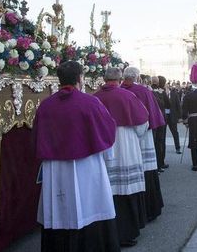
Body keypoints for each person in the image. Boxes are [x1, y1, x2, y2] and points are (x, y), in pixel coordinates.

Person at [34, 60, 120, 252]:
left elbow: (36, 136)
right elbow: (107, 130)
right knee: (88, 205)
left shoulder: (46, 105)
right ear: (80, 78)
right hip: (86, 165)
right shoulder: (90, 102)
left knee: (58, 210)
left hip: (54, 168)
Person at [93, 67, 150, 248]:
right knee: (126, 191)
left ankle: (107, 233)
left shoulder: (94, 97)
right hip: (126, 147)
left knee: (108, 190)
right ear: (119, 79)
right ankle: (127, 233)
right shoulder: (127, 96)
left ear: (104, 78)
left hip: (104, 147)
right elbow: (142, 124)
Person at [120, 67, 166, 222]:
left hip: (123, 140)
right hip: (144, 135)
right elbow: (153, 115)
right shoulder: (144, 91)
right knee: (146, 168)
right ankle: (150, 207)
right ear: (138, 77)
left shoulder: (119, 91)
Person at [150, 76, 171, 170]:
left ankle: (157, 164)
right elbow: (168, 104)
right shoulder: (160, 92)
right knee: (160, 142)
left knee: (154, 142)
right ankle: (160, 163)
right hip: (161, 119)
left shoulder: (148, 90)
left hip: (153, 119)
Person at [167, 77, 183, 154]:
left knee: (175, 132)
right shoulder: (161, 93)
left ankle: (178, 148)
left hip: (172, 116)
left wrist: (180, 117)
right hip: (164, 117)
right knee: (162, 135)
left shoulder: (174, 93)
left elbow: (178, 105)